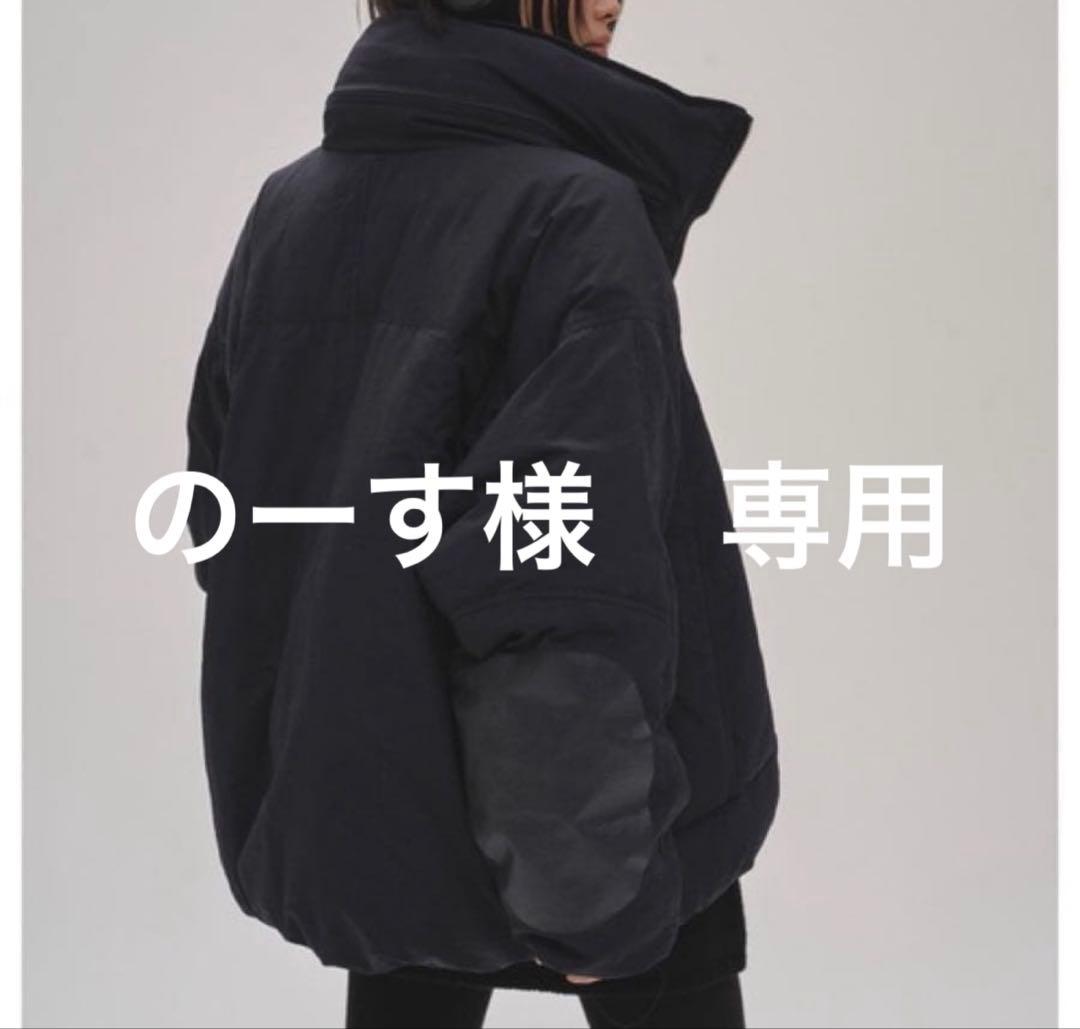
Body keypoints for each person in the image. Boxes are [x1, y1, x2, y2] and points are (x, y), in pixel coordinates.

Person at [184, 0, 779, 1026]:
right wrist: (589, 892)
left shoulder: (290, 207)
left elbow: (230, 527)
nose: (615, 0)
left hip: (379, 805)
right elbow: (561, 567)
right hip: (608, 814)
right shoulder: (577, 210)